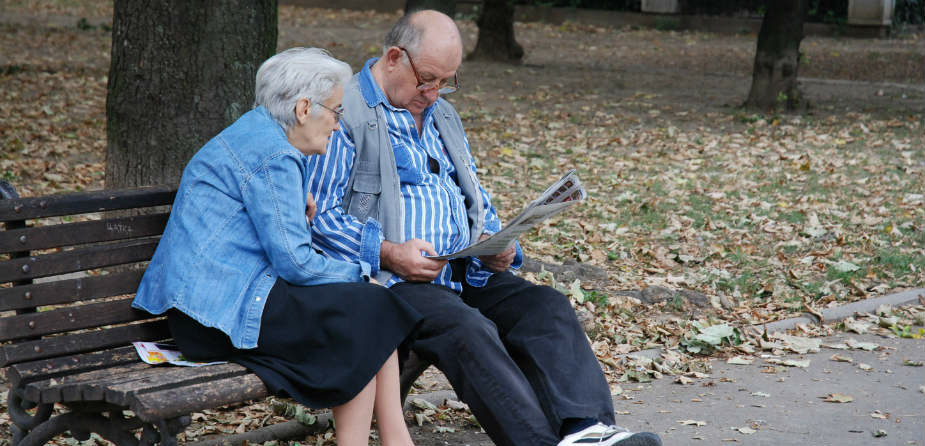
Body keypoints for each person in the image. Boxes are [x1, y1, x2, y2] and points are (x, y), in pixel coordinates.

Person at [306, 10, 663, 446]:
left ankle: (586, 431)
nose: (435, 94)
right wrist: (386, 251)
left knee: (545, 308)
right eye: (428, 79)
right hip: (392, 284)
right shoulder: (345, 114)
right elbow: (319, 219)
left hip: (461, 271)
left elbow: (475, 197)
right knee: (468, 329)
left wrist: (496, 243)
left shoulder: (443, 116)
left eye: (447, 81)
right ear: (395, 57)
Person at [132, 48, 421, 446]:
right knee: (367, 306)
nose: (337, 126)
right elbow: (296, 264)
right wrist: (361, 273)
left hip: (215, 301)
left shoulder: (261, 134)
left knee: (368, 311)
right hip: (215, 317)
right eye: (336, 112)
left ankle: (393, 439)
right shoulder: (274, 154)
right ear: (304, 108)